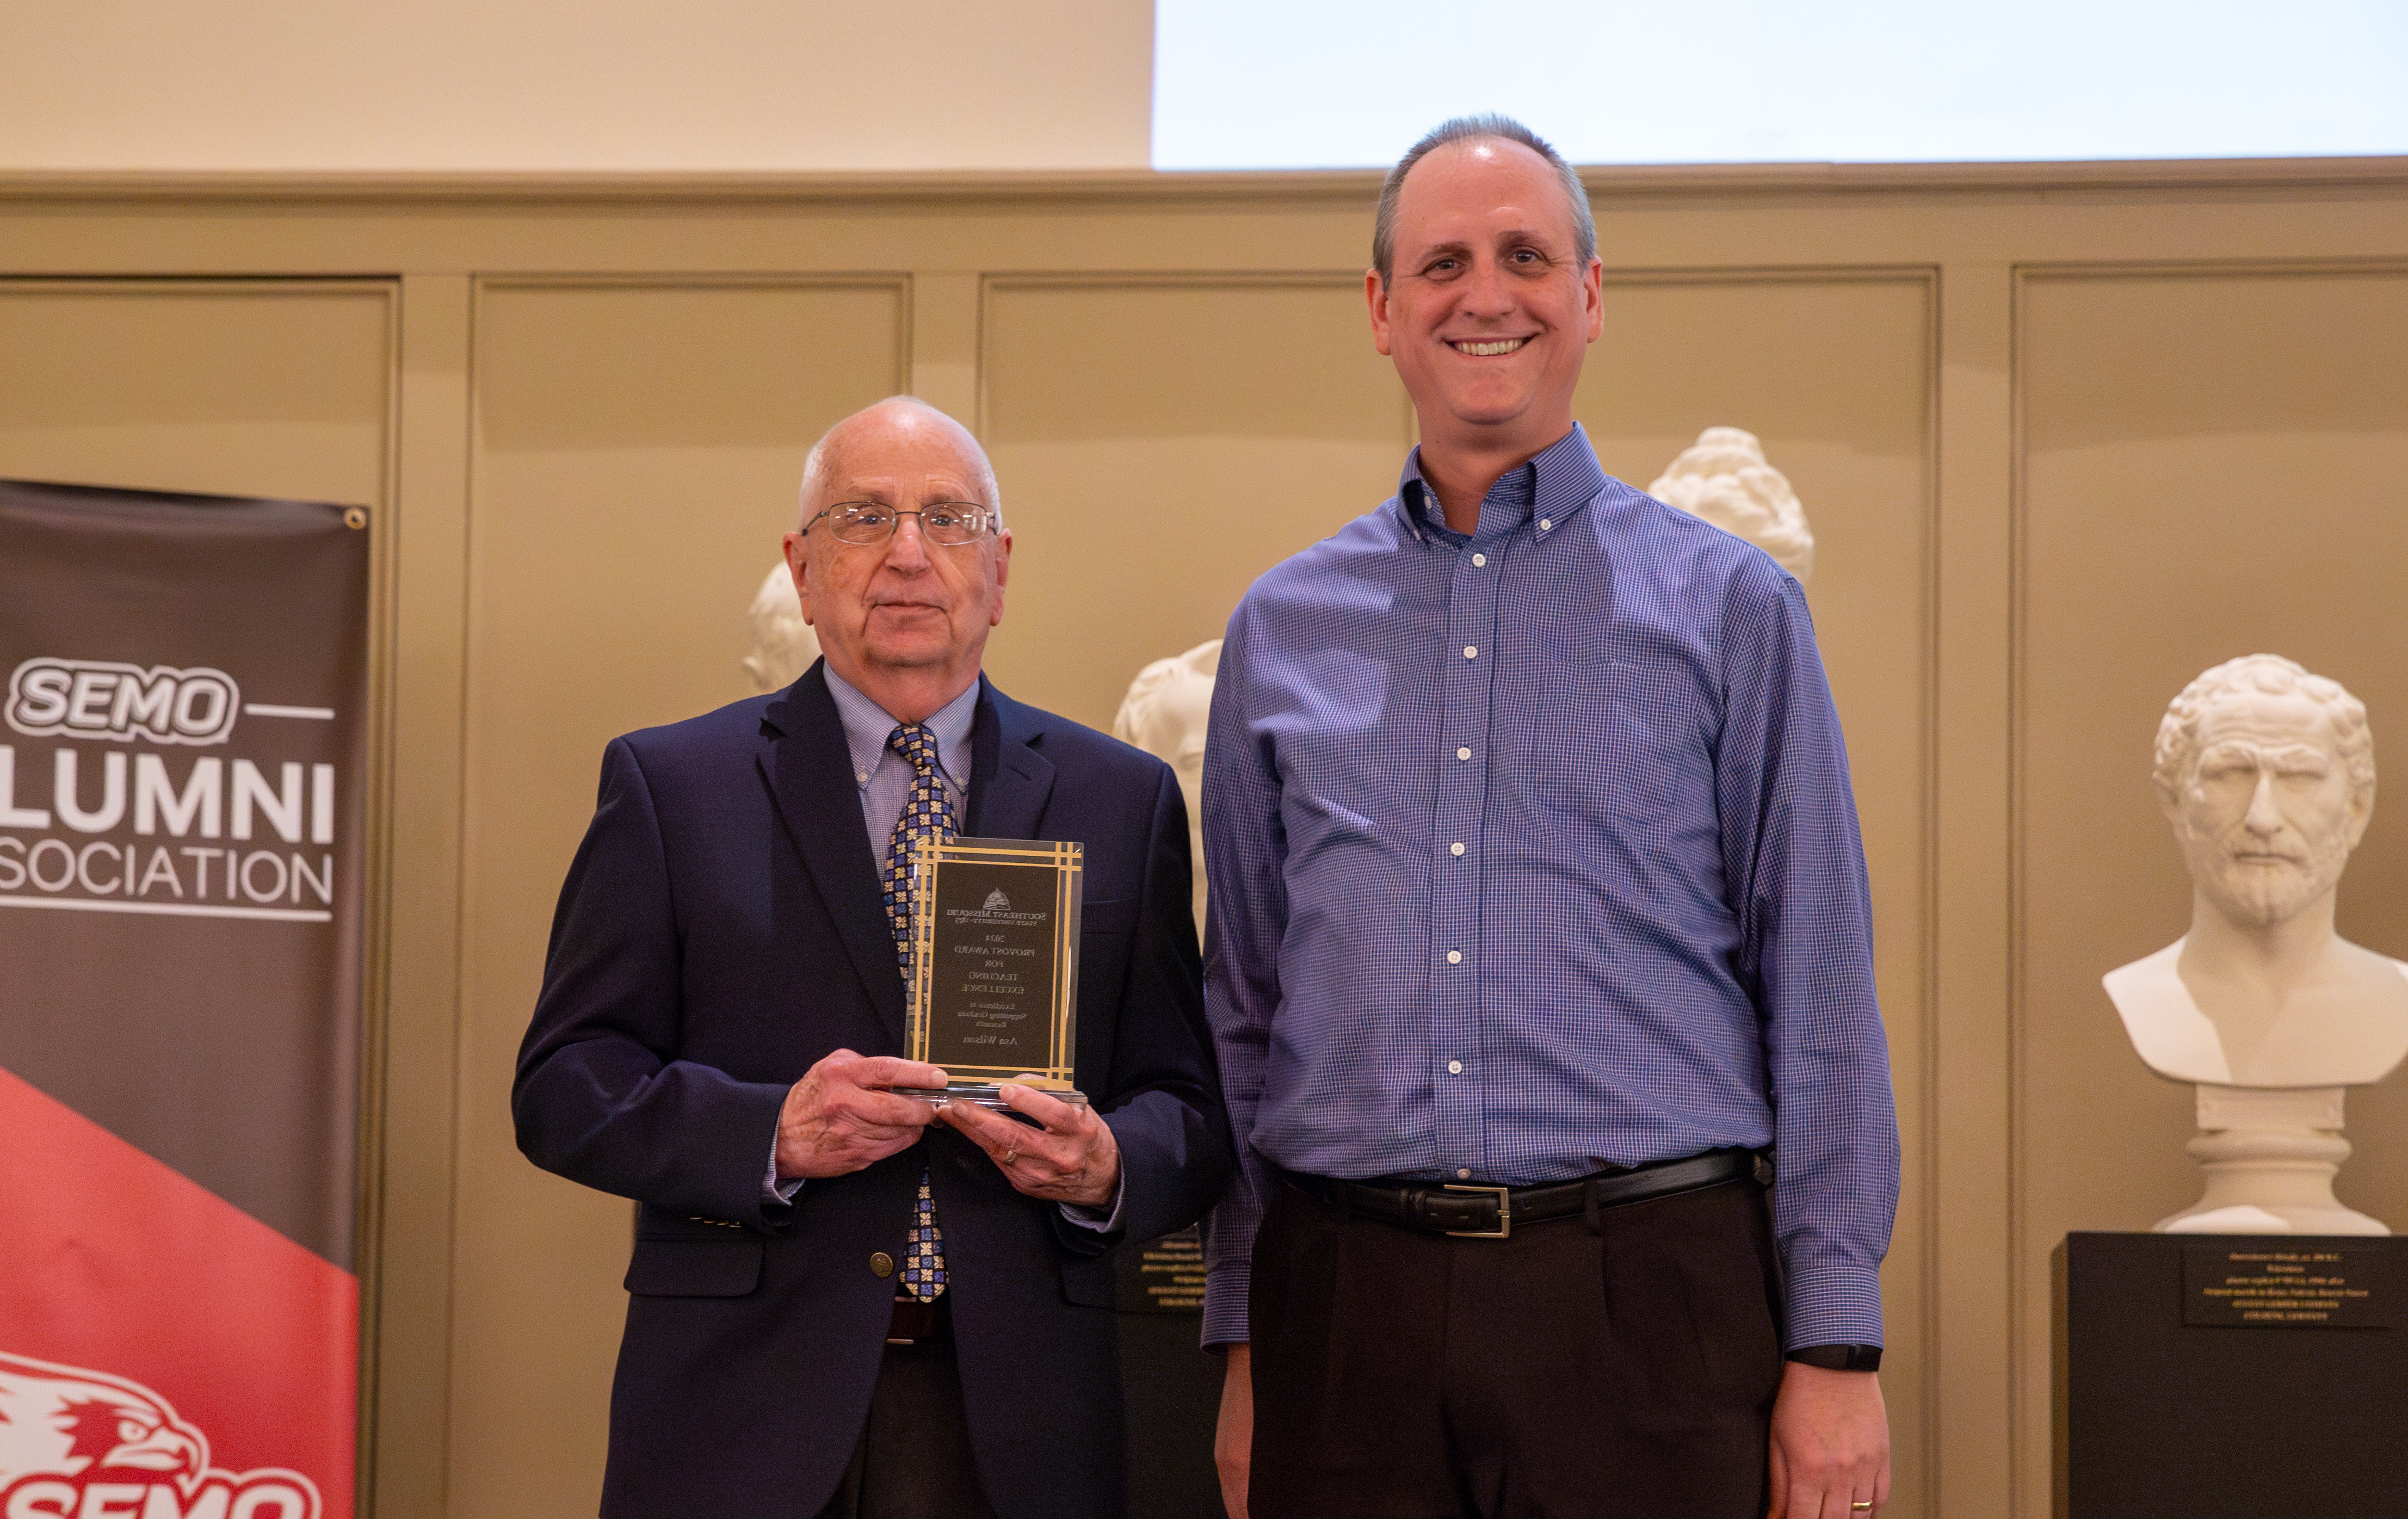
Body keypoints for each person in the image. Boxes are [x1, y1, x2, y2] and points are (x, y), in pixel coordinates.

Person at [1200, 116, 1899, 1519]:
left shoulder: (1731, 610)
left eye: (1526, 254)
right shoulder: (1278, 628)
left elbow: (1816, 982)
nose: (1485, 292)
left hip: (1644, 1300)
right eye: (1442, 260)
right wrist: (1242, 1324)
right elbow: (1245, 1007)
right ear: (1381, 310)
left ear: (1589, 296)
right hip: (1344, 1312)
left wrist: (1834, 1340)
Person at [515, 397, 1231, 1519]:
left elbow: (1188, 1105)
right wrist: (770, 1133)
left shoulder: (1119, 797)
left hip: (1024, 1413)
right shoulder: (672, 787)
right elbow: (563, 1085)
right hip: (742, 1410)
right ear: (801, 570)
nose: (907, 552)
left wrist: (1106, 1165)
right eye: (862, 518)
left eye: (947, 520)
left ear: (998, 568)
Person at [2106, 653, 2408, 1088]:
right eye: (2230, 773)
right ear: (2174, 802)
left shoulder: (2395, 998)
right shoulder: (2138, 995)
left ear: (2357, 809)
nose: (2263, 818)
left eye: (2300, 775)